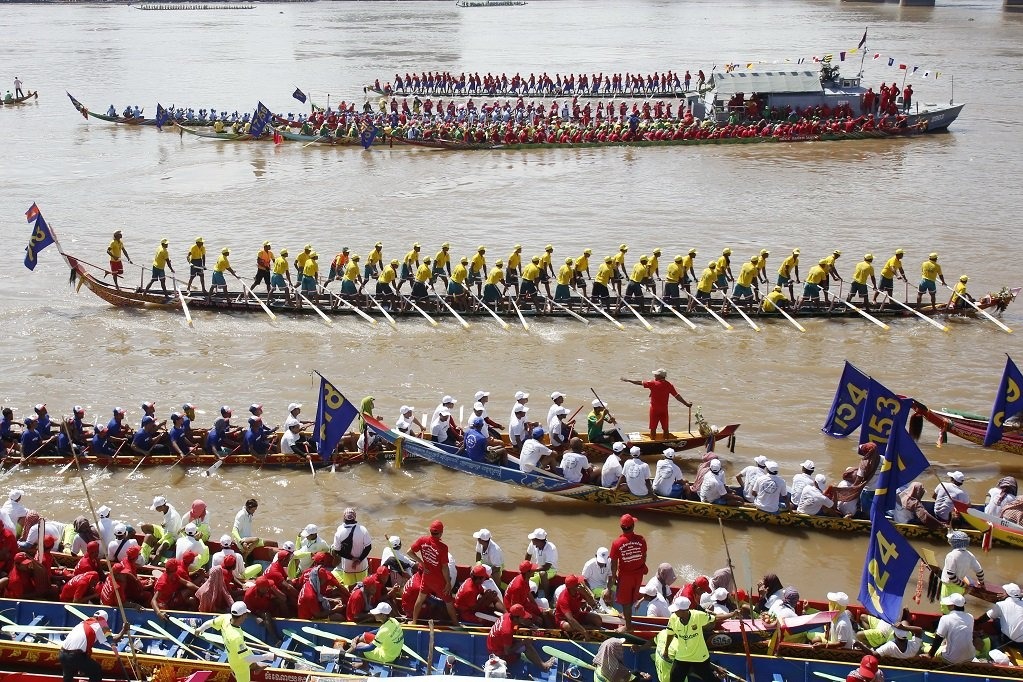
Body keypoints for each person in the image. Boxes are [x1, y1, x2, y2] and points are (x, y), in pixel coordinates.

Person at [196, 602, 275, 682]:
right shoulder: (236, 637)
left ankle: (256, 666)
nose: (247, 616)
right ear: (243, 616)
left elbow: (210, 623)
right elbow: (247, 659)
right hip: (239, 664)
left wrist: (200, 629)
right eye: (246, 614)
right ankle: (255, 666)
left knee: (247, 651)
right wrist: (267, 656)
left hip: (234, 655)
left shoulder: (226, 618)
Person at [662, 595, 733, 682]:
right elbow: (670, 633)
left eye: (676, 610)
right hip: (682, 656)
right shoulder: (673, 618)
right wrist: (666, 650)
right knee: (674, 678)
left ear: (684, 611)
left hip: (700, 657)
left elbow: (716, 618)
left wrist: (732, 614)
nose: (674, 612)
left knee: (710, 679)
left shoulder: (698, 615)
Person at [408, 520, 460, 624]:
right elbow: (444, 568)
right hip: (439, 580)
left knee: (420, 598)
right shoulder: (443, 548)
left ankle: (413, 622)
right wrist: (448, 583)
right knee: (449, 601)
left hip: (426, 577)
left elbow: (409, 552)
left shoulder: (422, 540)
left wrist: (421, 563)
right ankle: (457, 624)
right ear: (441, 533)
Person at [621, 369, 691, 440]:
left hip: (654, 410)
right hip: (664, 410)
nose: (654, 375)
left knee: (653, 428)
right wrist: (686, 404)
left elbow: (639, 382)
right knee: (666, 429)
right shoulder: (669, 385)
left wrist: (629, 380)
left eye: (656, 374)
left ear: (660, 376)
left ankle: (653, 441)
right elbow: (677, 396)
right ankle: (667, 442)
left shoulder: (652, 383)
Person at [59, 609, 126, 682]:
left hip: (62, 654)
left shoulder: (83, 622)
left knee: (68, 678)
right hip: (75, 656)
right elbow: (113, 640)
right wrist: (124, 630)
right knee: (96, 671)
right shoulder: (102, 624)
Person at [609, 514, 647, 632]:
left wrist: (613, 576)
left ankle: (628, 626)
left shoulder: (617, 543)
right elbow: (644, 556)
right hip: (638, 574)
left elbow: (614, 563)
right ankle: (627, 616)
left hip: (625, 576)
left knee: (625, 601)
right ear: (633, 526)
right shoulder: (641, 540)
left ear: (621, 527)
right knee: (632, 597)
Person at [487, 603, 554, 670]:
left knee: (521, 641)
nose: (524, 618)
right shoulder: (507, 631)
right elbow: (507, 652)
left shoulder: (506, 615)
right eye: (522, 617)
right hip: (498, 654)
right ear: (516, 618)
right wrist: (523, 642)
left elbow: (513, 627)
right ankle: (544, 667)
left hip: (494, 644)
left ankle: (539, 662)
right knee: (527, 645)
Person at [343, 602, 404, 667]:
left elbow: (370, 648)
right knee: (364, 636)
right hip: (395, 651)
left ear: (383, 614)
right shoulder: (393, 620)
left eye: (377, 613)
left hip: (388, 657)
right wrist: (360, 635)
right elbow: (378, 630)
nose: (374, 615)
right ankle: (348, 652)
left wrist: (355, 648)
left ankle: (362, 664)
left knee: (360, 645)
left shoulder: (384, 631)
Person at [925, 593, 976, 664]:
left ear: (952, 606)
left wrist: (930, 655)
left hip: (951, 659)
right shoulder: (970, 617)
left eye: (949, 604)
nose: (947, 605)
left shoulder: (945, 618)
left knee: (925, 648)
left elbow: (938, 639)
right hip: (970, 657)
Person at [941, 530, 984, 606]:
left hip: (949, 586)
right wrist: (982, 584)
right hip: (960, 587)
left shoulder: (951, 555)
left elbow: (951, 576)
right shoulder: (970, 555)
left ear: (954, 542)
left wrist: (964, 585)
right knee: (958, 606)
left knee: (947, 608)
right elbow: (979, 571)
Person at [332, 507, 372, 587]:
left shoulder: (339, 531)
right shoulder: (363, 529)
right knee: (363, 587)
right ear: (355, 517)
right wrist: (358, 560)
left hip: (347, 566)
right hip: (361, 565)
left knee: (350, 587)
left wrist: (352, 559)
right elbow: (368, 547)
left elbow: (337, 550)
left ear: (344, 518)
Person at [525, 527, 558, 597]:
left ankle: (547, 596)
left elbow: (547, 566)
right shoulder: (532, 543)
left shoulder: (551, 548)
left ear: (539, 541)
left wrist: (533, 570)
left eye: (533, 539)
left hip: (550, 569)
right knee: (529, 577)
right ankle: (532, 595)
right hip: (538, 567)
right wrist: (526, 567)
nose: (532, 541)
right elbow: (528, 555)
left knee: (542, 573)